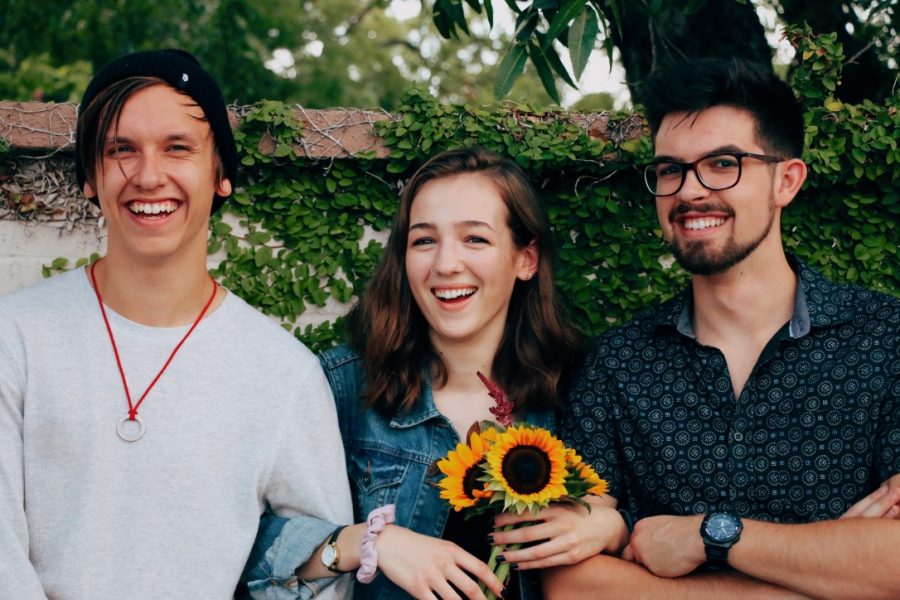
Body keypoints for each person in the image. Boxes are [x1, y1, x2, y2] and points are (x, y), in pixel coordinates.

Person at [0, 49, 352, 599]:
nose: (148, 175)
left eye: (177, 148)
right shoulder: (14, 339)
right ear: (91, 177)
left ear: (220, 175)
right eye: (121, 150)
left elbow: (326, 577)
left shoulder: (284, 375)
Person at [546, 57, 900, 598]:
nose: (689, 192)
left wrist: (710, 537)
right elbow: (571, 582)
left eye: (722, 164)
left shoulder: (887, 341)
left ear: (787, 180)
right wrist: (828, 571)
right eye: (670, 170)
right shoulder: (617, 364)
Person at [243, 146, 631, 599]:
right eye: (424, 240)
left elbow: (660, 534)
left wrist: (614, 528)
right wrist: (372, 543)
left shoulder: (585, 388)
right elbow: (245, 552)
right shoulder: (343, 388)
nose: (445, 264)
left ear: (526, 259)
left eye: (475, 239)